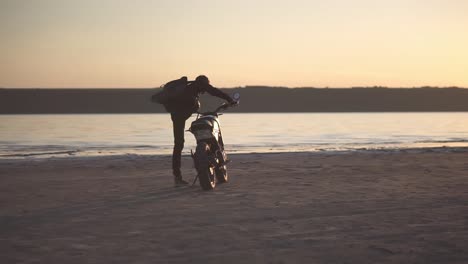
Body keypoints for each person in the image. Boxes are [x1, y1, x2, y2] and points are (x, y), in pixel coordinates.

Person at [167, 75, 236, 185]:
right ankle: (202, 161)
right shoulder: (200, 85)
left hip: (176, 115)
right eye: (206, 85)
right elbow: (214, 91)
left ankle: (177, 177)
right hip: (181, 114)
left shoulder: (188, 87)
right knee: (179, 143)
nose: (206, 89)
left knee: (178, 144)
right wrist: (229, 99)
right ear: (204, 83)